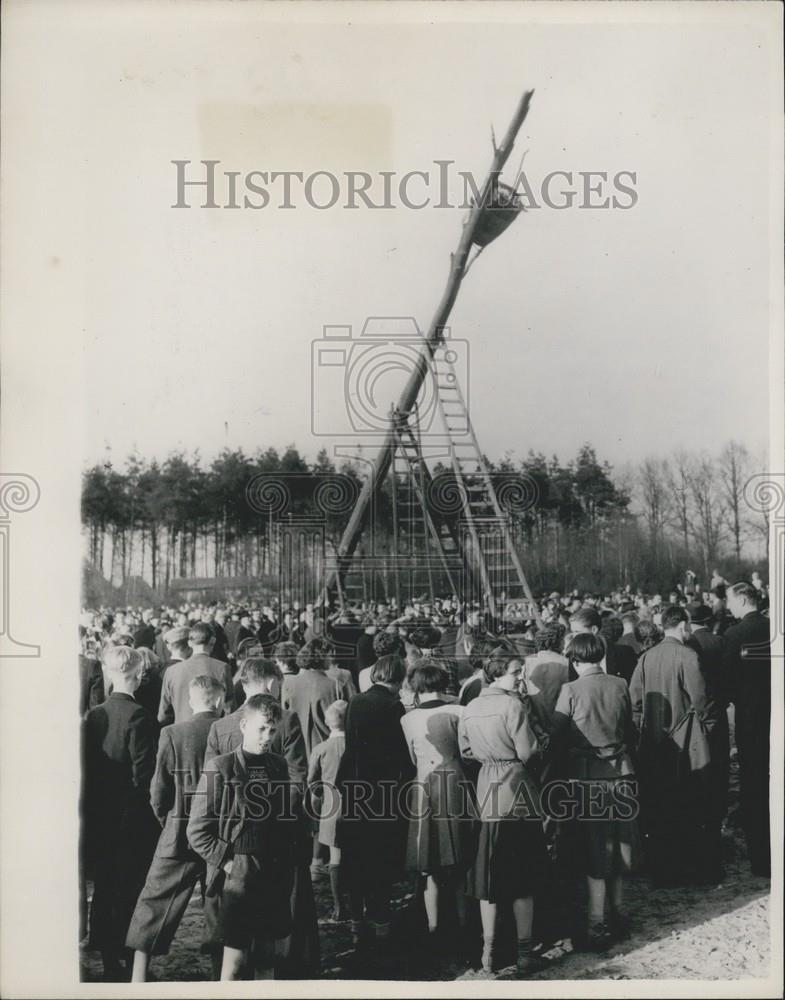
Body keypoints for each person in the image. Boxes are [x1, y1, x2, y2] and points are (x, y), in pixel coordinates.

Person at [187, 695, 298, 980]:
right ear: (244, 724)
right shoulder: (221, 767)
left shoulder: (278, 766)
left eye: (272, 731)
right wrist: (228, 864)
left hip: (273, 872)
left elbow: (285, 822)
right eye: (261, 729)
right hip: (239, 876)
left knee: (266, 960)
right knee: (234, 965)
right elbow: (197, 830)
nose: (267, 737)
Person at [126, 675, 224, 981]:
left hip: (178, 829)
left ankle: (138, 977)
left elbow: (158, 792)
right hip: (219, 834)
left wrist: (167, 820)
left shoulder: (172, 732)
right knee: (219, 905)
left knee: (154, 901)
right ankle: (222, 976)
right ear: (220, 701)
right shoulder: (228, 731)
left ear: (191, 701)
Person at [458, 648, 547, 976]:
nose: (520, 677)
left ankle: (488, 954)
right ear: (497, 673)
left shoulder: (470, 707)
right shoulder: (512, 705)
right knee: (524, 878)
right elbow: (528, 751)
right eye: (515, 672)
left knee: (489, 877)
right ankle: (525, 952)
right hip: (518, 792)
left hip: (487, 793)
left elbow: (466, 750)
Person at [551, 634, 640, 950]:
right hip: (622, 773)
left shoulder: (570, 690)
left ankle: (596, 923)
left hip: (589, 778)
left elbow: (556, 736)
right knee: (619, 846)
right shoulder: (619, 684)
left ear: (574, 661)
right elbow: (630, 729)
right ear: (601, 655)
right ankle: (619, 913)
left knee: (595, 850)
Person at [81, 646, 158, 980]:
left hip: (98, 816)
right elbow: (145, 777)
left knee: (105, 886)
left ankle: (109, 958)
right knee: (129, 888)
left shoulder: (94, 715)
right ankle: (125, 961)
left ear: (109, 674)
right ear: (138, 675)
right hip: (130, 818)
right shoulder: (140, 716)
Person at [629, 605, 715, 886]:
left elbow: (635, 701)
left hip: (653, 743)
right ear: (681, 625)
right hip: (686, 740)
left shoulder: (645, 658)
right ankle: (691, 867)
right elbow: (701, 700)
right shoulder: (688, 656)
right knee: (688, 803)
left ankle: (662, 869)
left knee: (660, 805)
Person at [336, 653, 413, 948]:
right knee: (379, 859)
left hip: (355, 786)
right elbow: (397, 752)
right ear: (398, 678)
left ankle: (357, 923)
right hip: (382, 791)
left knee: (355, 857)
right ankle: (381, 924)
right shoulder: (394, 706)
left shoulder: (357, 700)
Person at [400, 664, 472, 947]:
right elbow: (467, 752)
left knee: (428, 858)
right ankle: (465, 921)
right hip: (455, 780)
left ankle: (433, 925)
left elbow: (410, 756)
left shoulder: (408, 720)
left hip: (425, 781)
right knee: (460, 854)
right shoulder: (459, 711)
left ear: (417, 688)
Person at [723, 582, 771, 877]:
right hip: (776, 716)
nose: (727, 607)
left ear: (742, 600)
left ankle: (762, 860)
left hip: (751, 721)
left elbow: (727, 683)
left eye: (729, 601)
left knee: (754, 786)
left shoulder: (734, 635)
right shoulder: (774, 629)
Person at [306, 700, 348, 921]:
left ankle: (339, 906)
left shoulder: (321, 749)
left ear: (326, 722)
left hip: (331, 807)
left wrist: (316, 801)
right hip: (358, 803)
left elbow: (313, 782)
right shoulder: (357, 744)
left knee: (336, 858)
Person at [287, 637, 356, 760]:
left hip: (296, 750)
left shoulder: (289, 684)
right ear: (321, 657)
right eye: (329, 655)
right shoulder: (334, 685)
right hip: (326, 750)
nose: (332, 659)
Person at [158, 623, 234, 725]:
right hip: (213, 733)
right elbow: (230, 710)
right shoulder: (222, 668)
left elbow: (163, 716)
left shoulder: (171, 671)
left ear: (190, 643)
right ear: (213, 641)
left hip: (182, 733)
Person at [520, 624, 570, 736]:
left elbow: (522, 692)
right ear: (558, 641)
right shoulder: (566, 663)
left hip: (535, 721)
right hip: (560, 720)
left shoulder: (527, 661)